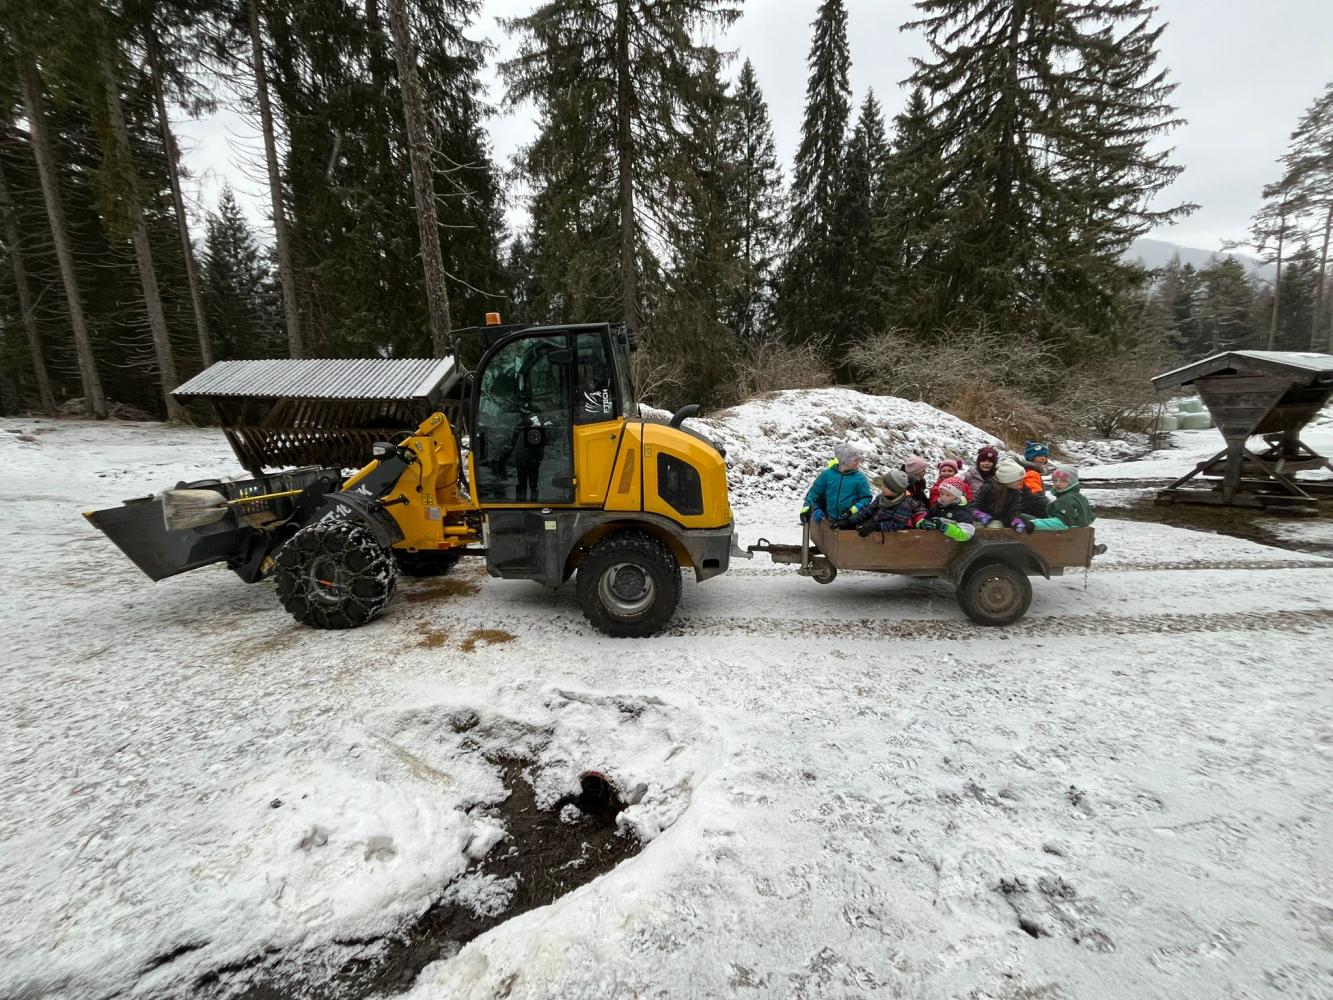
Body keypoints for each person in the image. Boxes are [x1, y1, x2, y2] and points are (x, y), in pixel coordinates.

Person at [800, 443, 873, 524]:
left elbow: (866, 498)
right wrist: (807, 509)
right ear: (845, 461)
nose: (858, 462)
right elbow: (813, 494)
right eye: (855, 460)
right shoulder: (827, 475)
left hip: (849, 522)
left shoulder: (860, 478)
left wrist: (853, 510)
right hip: (828, 520)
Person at [846, 470, 926, 536]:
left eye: (885, 487)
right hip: (875, 526)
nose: (882, 488)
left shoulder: (904, 504)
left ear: (895, 490)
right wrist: (855, 518)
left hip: (889, 537)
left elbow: (896, 524)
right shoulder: (881, 497)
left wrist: (876, 526)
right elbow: (870, 509)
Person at [973, 458, 1033, 531]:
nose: (1022, 482)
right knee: (977, 526)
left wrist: (1015, 520)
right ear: (1008, 480)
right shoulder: (988, 487)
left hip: (998, 520)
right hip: (980, 518)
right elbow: (973, 505)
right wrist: (978, 514)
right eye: (1019, 480)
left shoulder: (1015, 492)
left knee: (995, 526)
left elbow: (1014, 511)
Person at [921, 477, 976, 542]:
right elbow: (922, 522)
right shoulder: (935, 508)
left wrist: (945, 528)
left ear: (956, 497)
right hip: (934, 543)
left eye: (948, 495)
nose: (943, 497)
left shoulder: (961, 512)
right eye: (942, 494)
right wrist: (923, 524)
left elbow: (966, 534)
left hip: (955, 546)